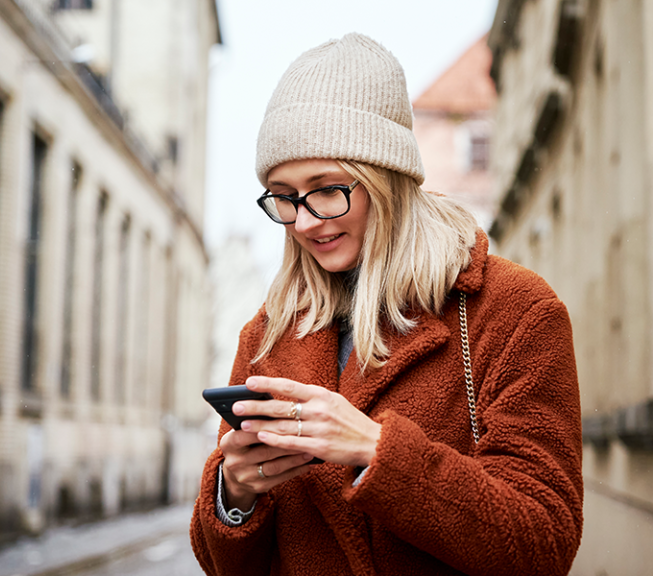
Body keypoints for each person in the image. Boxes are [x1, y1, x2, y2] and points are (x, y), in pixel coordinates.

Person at [190, 33, 583, 576]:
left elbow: (544, 542)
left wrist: (377, 451)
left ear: (387, 179)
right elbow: (225, 567)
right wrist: (234, 495)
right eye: (283, 195)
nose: (304, 221)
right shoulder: (267, 334)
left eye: (327, 189)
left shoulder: (512, 310)